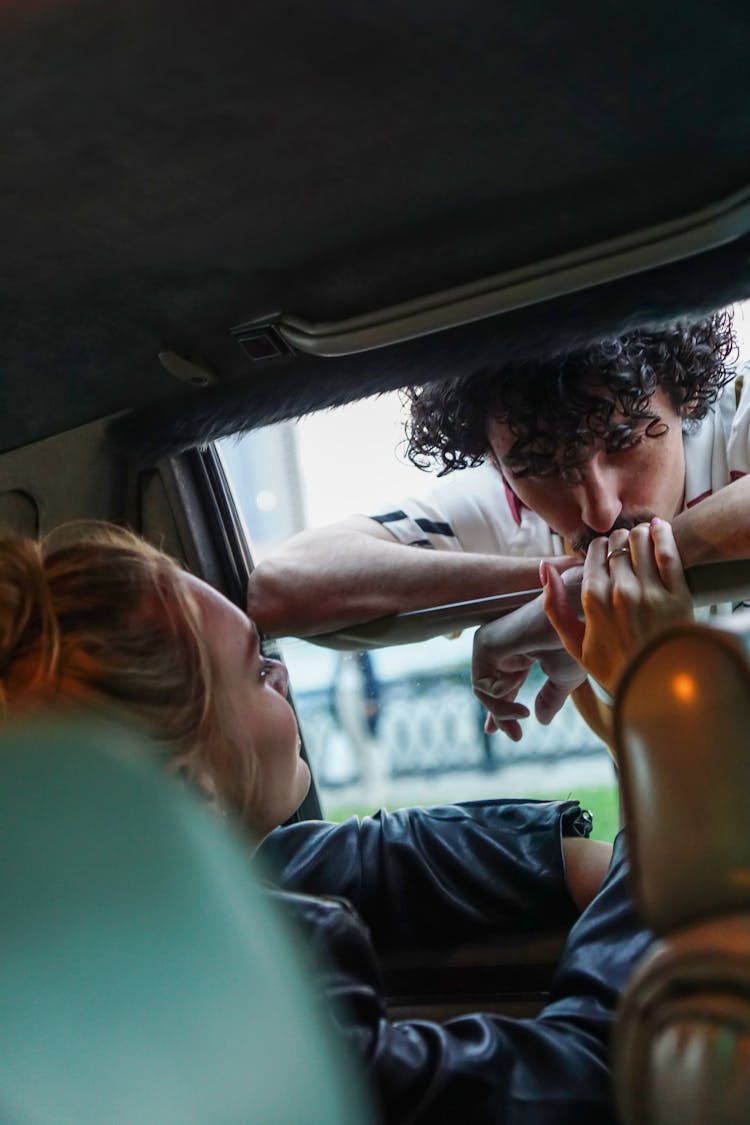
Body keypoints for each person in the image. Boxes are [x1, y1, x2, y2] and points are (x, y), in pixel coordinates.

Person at [0, 521, 649, 1124]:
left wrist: (559, 851)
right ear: (186, 795)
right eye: (257, 670)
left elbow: (375, 855)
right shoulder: (238, 1024)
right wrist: (649, 715)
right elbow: (591, 1076)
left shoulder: (88, 948)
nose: (281, 674)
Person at [247, 310, 749, 740]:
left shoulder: (739, 419)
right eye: (542, 468)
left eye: (623, 442)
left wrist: (590, 588)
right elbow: (284, 586)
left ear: (683, 392)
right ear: (496, 465)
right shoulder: (507, 513)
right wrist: (562, 590)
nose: (599, 511)